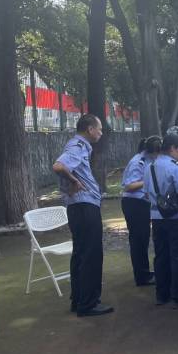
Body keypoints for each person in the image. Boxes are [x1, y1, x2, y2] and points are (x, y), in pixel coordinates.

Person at [52, 113, 113, 317]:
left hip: (79, 207)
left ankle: (79, 300)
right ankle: (89, 303)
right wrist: (75, 181)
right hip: (84, 206)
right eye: (99, 129)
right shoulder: (78, 146)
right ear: (90, 129)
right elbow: (58, 166)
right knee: (91, 254)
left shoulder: (79, 146)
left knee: (80, 253)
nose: (101, 133)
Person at [142, 134, 178, 307]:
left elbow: (146, 194)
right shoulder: (175, 167)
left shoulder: (149, 167)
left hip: (157, 217)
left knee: (161, 256)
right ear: (172, 148)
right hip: (176, 217)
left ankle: (162, 294)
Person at [120, 137, 156, 286]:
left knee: (143, 239)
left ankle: (144, 272)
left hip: (141, 203)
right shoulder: (138, 161)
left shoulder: (146, 159)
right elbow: (129, 186)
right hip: (135, 204)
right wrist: (149, 180)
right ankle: (142, 276)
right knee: (138, 240)